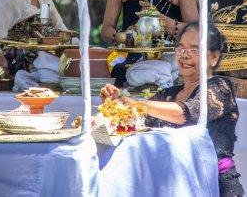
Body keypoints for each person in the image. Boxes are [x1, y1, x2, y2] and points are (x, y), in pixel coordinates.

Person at [100, 22, 244, 197]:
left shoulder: (220, 87)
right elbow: (136, 123)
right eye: (181, 48)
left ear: (213, 57)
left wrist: (137, 104)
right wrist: (116, 105)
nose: (185, 55)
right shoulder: (167, 94)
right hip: (171, 185)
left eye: (194, 49)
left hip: (215, 184)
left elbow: (187, 113)